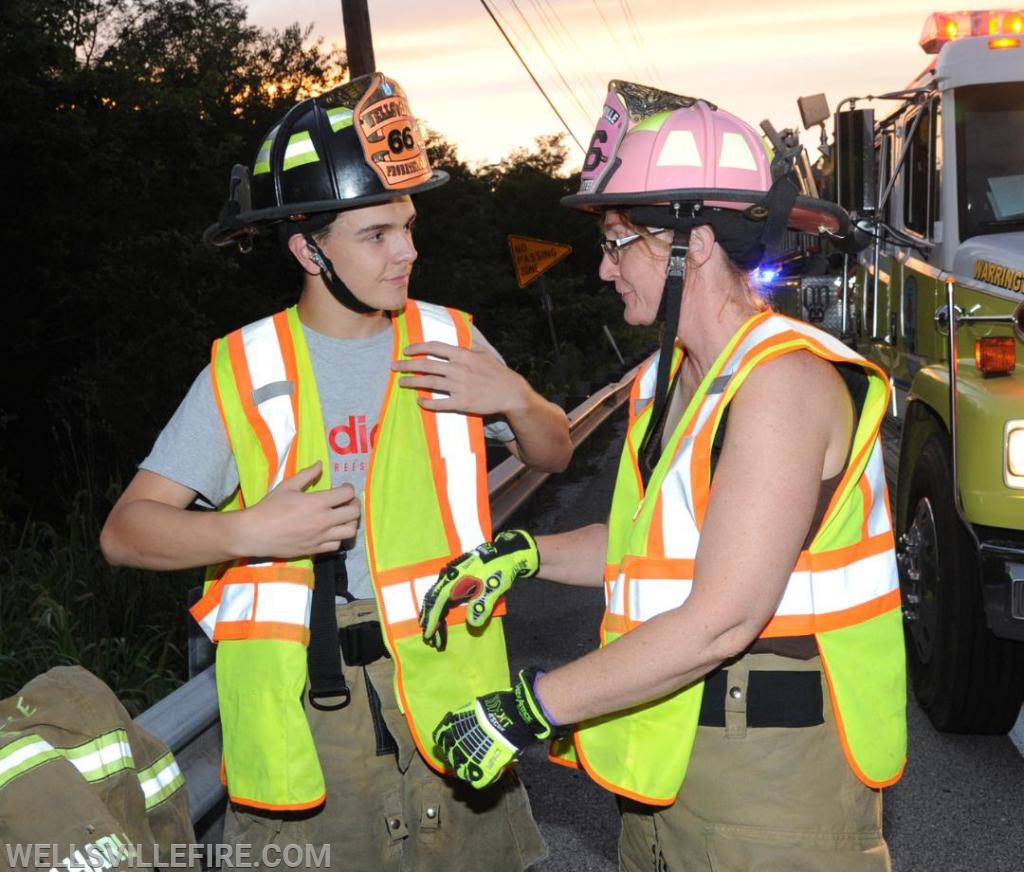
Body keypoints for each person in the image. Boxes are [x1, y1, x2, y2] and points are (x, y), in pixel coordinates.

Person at [418, 81, 907, 870]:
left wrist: (526, 709)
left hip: (771, 788)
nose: (605, 271)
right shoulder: (666, 377)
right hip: (671, 761)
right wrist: (526, 554)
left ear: (697, 244)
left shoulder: (781, 385)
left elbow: (722, 617)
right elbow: (658, 542)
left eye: (619, 242)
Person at [99, 72, 570, 871]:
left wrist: (517, 398)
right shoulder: (245, 367)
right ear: (307, 249)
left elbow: (554, 451)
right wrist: (249, 529)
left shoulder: (450, 335)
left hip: (451, 692)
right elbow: (124, 533)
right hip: (311, 716)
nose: (409, 251)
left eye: (410, 227)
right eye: (378, 234)